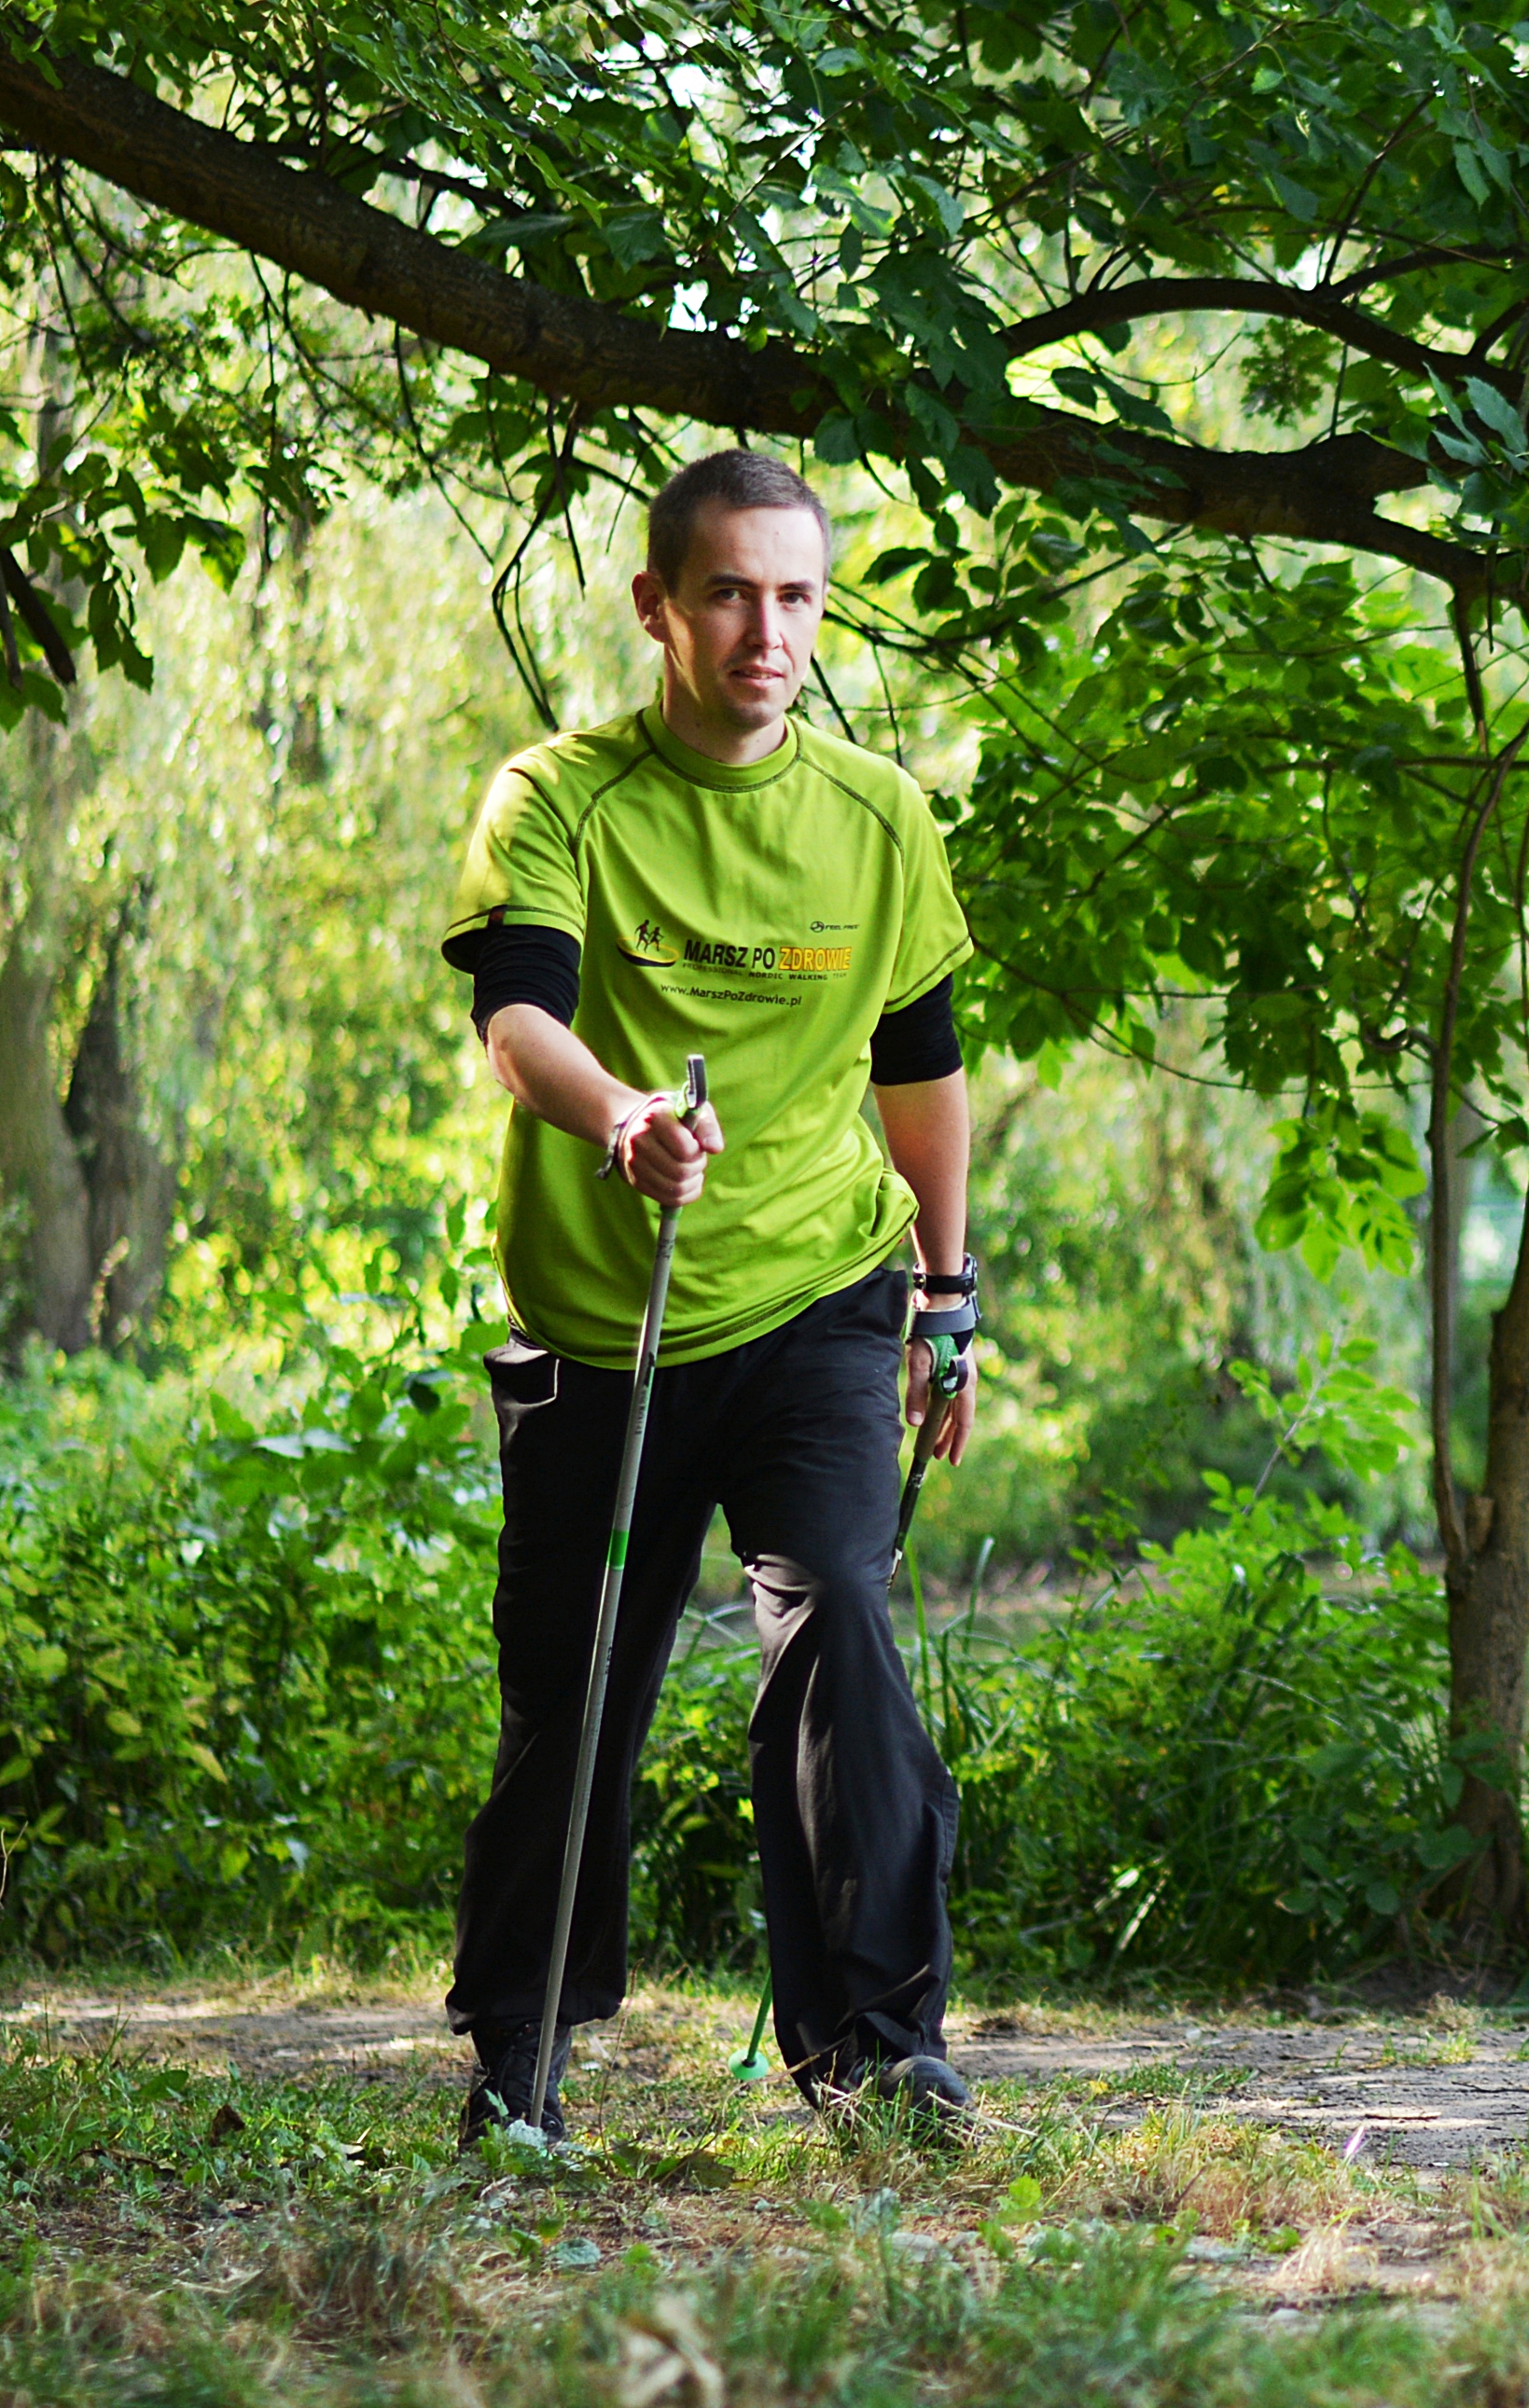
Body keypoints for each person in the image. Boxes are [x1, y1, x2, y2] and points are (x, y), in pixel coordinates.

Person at [438, 449, 981, 2141]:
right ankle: (520, 2051)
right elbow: (518, 1021)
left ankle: (878, 2048)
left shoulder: (878, 814)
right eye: (732, 593)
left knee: (841, 1620)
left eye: (800, 595)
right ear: (657, 605)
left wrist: (946, 1295)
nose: (769, 630)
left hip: (820, 1286)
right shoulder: (558, 797)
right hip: (612, 1317)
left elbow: (923, 1070)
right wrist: (623, 1119)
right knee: (576, 1684)